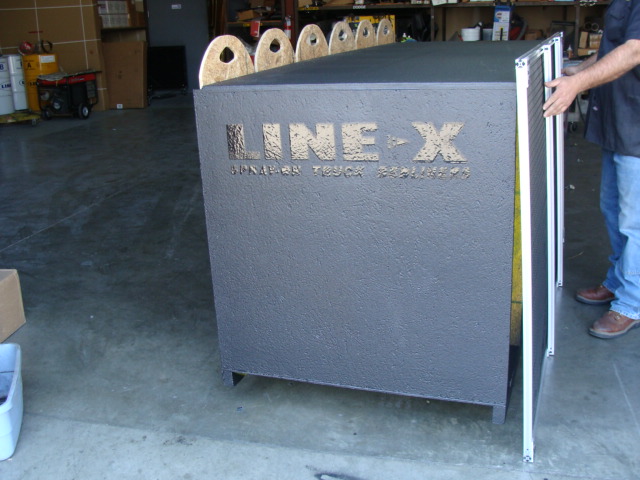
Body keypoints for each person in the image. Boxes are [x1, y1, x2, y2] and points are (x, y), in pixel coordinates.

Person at [542, 0, 640, 339]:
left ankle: (632, 302)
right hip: (620, 122)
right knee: (612, 209)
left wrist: (578, 84)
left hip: (637, 126)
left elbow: (634, 51)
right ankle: (619, 281)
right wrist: (580, 70)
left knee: (634, 220)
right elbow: (614, 47)